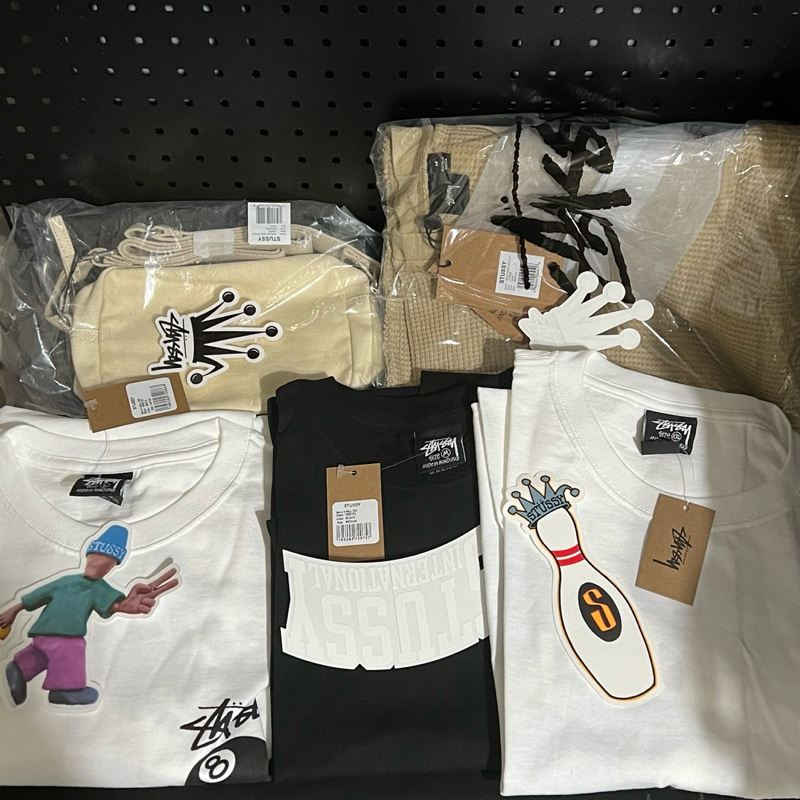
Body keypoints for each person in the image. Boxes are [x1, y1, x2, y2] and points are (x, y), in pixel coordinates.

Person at [0, 523, 179, 706]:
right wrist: (13, 611)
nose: (96, 564)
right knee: (69, 652)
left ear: (111, 566)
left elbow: (113, 605)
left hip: (43, 635)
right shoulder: (65, 582)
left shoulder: (98, 588)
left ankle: (20, 668)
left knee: (42, 653)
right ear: (88, 556)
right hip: (66, 636)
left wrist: (125, 606)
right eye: (94, 559)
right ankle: (64, 690)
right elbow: (37, 596)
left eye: (104, 563)